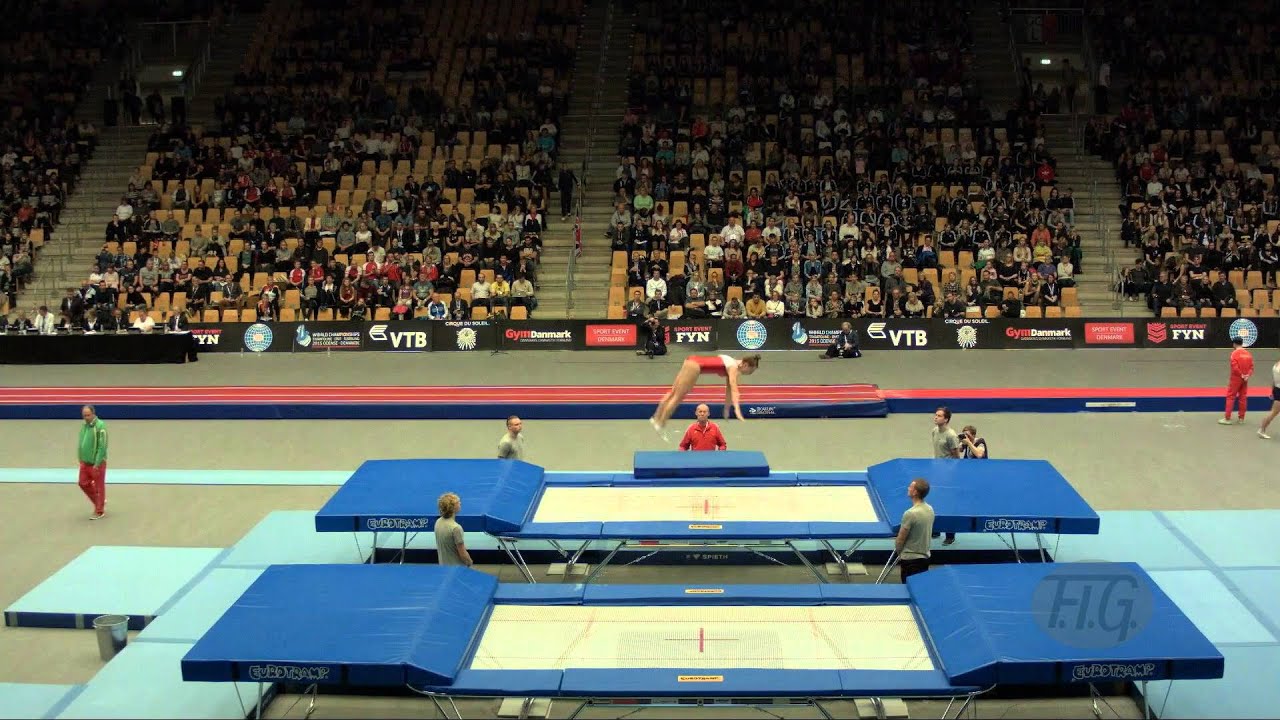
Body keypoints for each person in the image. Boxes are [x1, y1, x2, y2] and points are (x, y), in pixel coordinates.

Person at [649, 353, 761, 440]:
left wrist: (726, 409)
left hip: (691, 361)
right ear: (745, 365)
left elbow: (729, 390)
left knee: (673, 393)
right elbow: (734, 389)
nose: (750, 373)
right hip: (695, 366)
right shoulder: (733, 367)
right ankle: (660, 423)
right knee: (678, 397)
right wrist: (737, 410)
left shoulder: (731, 362)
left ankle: (656, 418)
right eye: (751, 370)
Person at [931, 407, 961, 545]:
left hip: (948, 475)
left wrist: (951, 475)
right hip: (937, 472)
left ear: (946, 419)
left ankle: (950, 535)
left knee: (948, 503)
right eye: (936, 415)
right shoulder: (934, 431)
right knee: (936, 501)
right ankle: (936, 529)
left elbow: (956, 458)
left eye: (939, 416)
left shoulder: (951, 435)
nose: (935, 417)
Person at [895, 478, 935, 582]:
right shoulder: (930, 509)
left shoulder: (910, 514)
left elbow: (900, 539)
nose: (908, 488)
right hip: (925, 558)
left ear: (915, 492)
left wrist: (900, 553)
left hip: (910, 560)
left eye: (910, 487)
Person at [77, 405, 109, 519]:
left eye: (88, 415)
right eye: (84, 415)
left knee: (99, 487)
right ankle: (99, 501)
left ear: (93, 414)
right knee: (82, 483)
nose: (86, 418)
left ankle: (99, 511)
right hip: (85, 462)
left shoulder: (101, 426)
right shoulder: (84, 426)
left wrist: (97, 463)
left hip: (97, 463)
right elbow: (82, 442)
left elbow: (102, 446)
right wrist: (80, 458)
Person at [433, 492, 473, 568]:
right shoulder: (456, 528)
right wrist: (470, 563)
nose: (460, 503)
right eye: (458, 502)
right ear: (453, 508)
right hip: (456, 569)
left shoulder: (438, 522)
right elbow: (463, 554)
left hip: (443, 567)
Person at [1220, 336, 1253, 425]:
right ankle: (1241, 418)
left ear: (1234, 344)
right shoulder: (1248, 354)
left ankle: (1227, 418)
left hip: (1236, 378)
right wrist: (1247, 375)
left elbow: (1234, 367)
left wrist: (1241, 375)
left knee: (1230, 396)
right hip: (1245, 379)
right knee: (1243, 397)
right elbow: (1251, 367)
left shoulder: (1234, 354)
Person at [1258, 357, 1280, 439]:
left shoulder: (1276, 365)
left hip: (1276, 389)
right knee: (1274, 412)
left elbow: (1274, 380)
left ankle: (1262, 430)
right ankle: (1261, 430)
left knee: (1274, 412)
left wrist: (1272, 391)